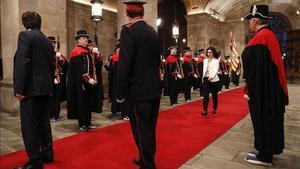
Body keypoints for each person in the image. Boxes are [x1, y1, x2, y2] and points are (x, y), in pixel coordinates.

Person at [116, 1, 161, 168]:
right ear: (142, 13)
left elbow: (125, 65)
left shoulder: (128, 31)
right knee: (149, 128)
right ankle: (146, 158)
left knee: (141, 130)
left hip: (138, 90)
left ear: (128, 14)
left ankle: (148, 164)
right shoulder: (153, 32)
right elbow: (157, 61)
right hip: (154, 88)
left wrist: (120, 93)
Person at [242, 5, 289, 167]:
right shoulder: (268, 35)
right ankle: (264, 150)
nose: (249, 23)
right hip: (270, 89)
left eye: (250, 20)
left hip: (264, 91)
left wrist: (249, 88)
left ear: (255, 21)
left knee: (263, 118)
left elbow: (256, 69)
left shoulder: (262, 38)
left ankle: (265, 156)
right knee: (267, 120)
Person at [13, 11, 55, 169]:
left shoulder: (25, 36)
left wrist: (19, 88)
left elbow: (22, 64)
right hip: (45, 89)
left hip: (30, 89)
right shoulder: (46, 40)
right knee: (44, 122)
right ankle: (47, 153)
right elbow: (52, 66)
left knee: (29, 125)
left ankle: (35, 161)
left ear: (25, 23)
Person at [67, 30, 97, 132]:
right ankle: (82, 123)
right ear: (78, 40)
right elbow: (80, 69)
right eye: (83, 38)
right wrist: (88, 79)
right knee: (81, 103)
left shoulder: (87, 51)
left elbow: (91, 66)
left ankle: (88, 122)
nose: (86, 40)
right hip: (80, 82)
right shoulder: (76, 52)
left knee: (88, 102)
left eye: (86, 38)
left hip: (88, 81)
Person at [48, 36, 68, 122]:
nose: (52, 45)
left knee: (57, 98)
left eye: (54, 43)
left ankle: (56, 114)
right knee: (50, 99)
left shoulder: (58, 54)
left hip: (58, 79)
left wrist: (60, 58)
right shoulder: (46, 54)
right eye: (51, 43)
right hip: (50, 79)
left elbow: (66, 65)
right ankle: (50, 115)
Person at [201, 47, 220, 116]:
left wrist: (211, 76)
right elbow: (204, 70)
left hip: (214, 80)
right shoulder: (205, 60)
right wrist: (204, 78)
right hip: (206, 79)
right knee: (205, 95)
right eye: (208, 52)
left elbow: (215, 69)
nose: (209, 53)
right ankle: (205, 110)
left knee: (214, 95)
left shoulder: (216, 60)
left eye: (210, 52)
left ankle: (215, 107)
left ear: (213, 53)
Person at [88, 39, 104, 114]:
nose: (91, 47)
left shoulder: (97, 54)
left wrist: (97, 55)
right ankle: (91, 107)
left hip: (97, 75)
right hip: (90, 76)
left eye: (92, 45)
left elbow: (100, 64)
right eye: (89, 45)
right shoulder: (87, 54)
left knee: (98, 92)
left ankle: (98, 107)